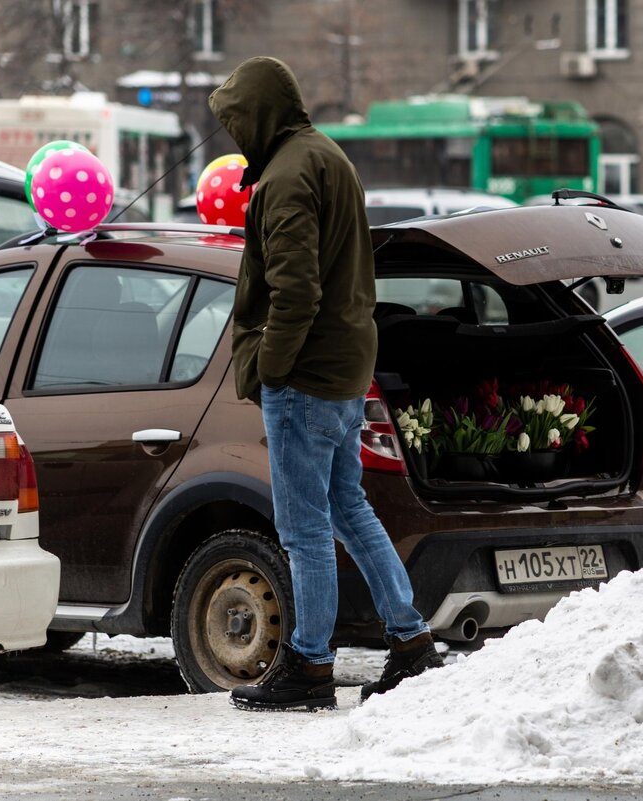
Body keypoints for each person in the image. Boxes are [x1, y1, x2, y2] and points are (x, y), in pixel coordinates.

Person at [209, 56, 443, 712]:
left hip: (306, 374)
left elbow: (295, 288)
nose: (233, 135)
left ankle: (309, 664)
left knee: (304, 526)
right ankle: (412, 639)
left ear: (258, 114)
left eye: (236, 122)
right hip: (345, 365)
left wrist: (275, 366)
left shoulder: (284, 176)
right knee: (348, 505)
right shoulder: (328, 156)